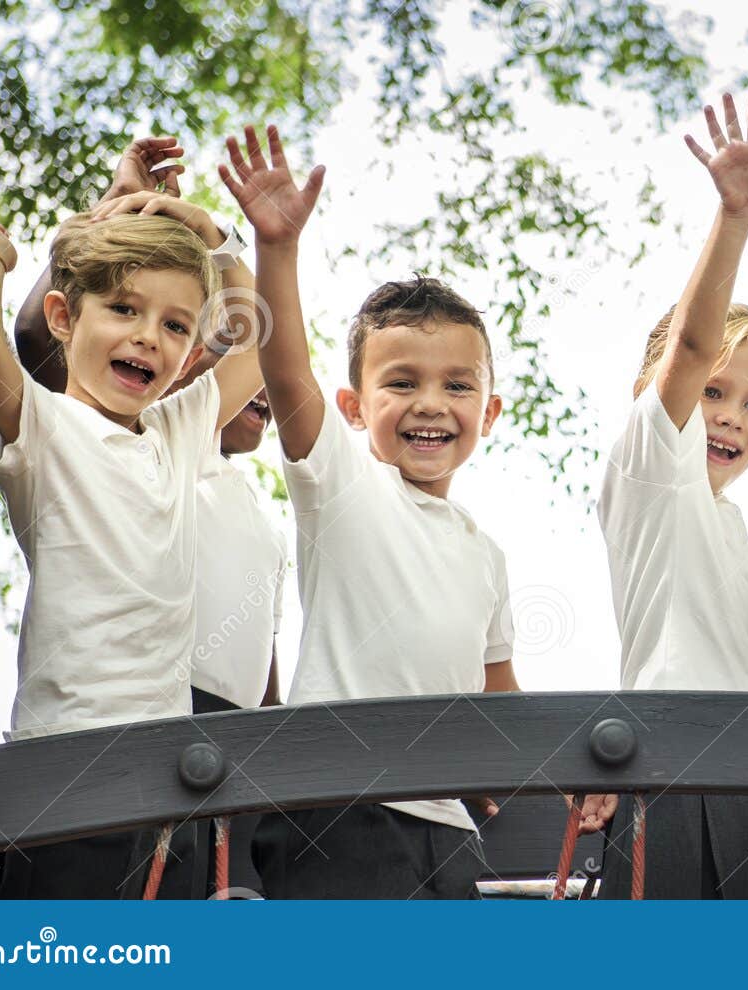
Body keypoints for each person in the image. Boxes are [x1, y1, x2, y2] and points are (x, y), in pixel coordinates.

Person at [221, 124, 517, 898]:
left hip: (450, 827)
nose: (430, 403)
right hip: (336, 807)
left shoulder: (485, 555)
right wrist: (276, 248)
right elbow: (286, 375)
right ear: (354, 405)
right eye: (401, 383)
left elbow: (503, 695)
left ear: (488, 413)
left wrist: (579, 773)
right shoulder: (342, 484)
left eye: (458, 386)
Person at [0, 178, 264, 898]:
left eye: (177, 325)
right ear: (62, 315)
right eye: (123, 309)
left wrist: (213, 233)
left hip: (163, 779)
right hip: (64, 769)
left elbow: (255, 337)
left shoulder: (178, 433)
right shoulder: (46, 429)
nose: (150, 335)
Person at [588, 95, 748, 899]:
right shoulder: (655, 470)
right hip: (669, 772)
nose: (732, 416)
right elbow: (690, 346)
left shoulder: (733, 527)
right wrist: (736, 216)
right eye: (716, 392)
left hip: (742, 789)